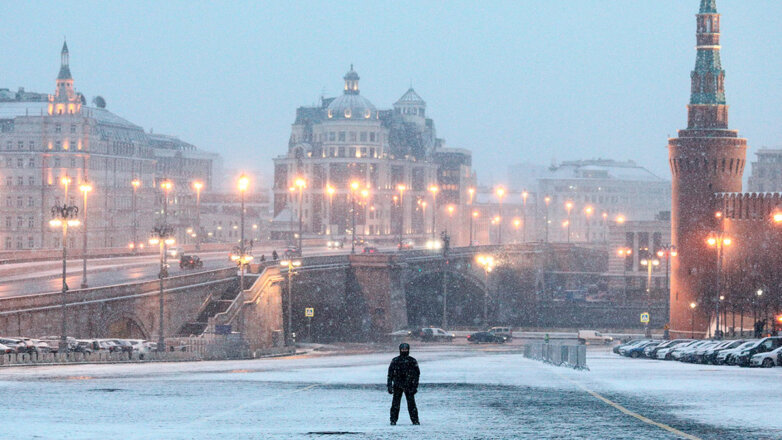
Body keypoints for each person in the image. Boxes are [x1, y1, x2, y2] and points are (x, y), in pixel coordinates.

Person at [387, 343, 420, 426]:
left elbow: (417, 374)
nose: (404, 351)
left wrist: (415, 386)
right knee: (395, 404)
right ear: (400, 350)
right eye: (403, 349)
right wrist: (390, 386)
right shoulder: (395, 360)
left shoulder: (412, 360)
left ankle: (415, 420)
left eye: (405, 349)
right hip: (398, 385)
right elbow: (390, 374)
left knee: (411, 404)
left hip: (409, 385)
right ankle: (393, 420)